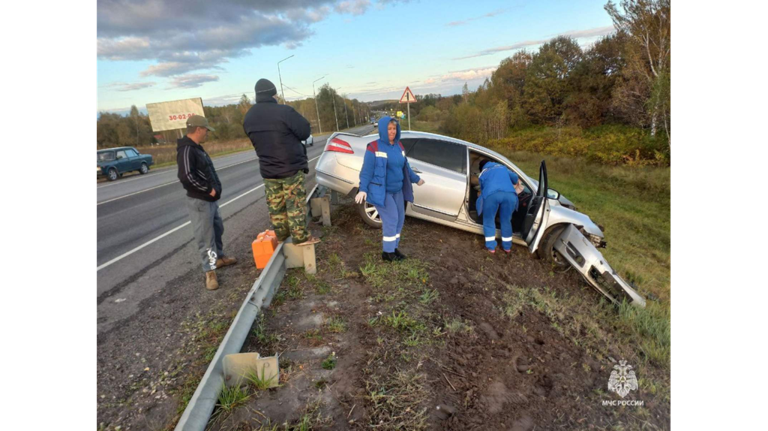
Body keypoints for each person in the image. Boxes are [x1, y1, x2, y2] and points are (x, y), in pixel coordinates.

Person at [243, 78, 320, 246]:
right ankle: (300, 238)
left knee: (276, 207)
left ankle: (283, 237)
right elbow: (304, 132)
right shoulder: (284, 112)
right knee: (295, 204)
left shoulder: (249, 117)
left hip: (268, 170)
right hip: (290, 167)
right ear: (273, 93)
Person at [177, 116, 237, 291]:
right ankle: (209, 271)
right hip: (200, 201)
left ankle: (219, 257)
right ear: (198, 129)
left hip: (210, 200)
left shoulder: (197, 148)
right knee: (206, 237)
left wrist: (215, 189)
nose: (207, 133)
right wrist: (207, 189)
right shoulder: (187, 150)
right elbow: (186, 176)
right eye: (206, 130)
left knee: (217, 229)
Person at [356, 117, 425, 262]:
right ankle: (387, 253)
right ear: (382, 130)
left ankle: (393, 248)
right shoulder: (374, 147)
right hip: (383, 192)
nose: (392, 131)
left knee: (399, 219)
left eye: (394, 128)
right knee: (391, 219)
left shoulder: (399, 146)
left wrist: (416, 179)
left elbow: (405, 166)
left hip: (398, 190)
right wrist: (363, 189)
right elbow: (366, 171)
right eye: (389, 129)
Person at [476, 159, 520, 254]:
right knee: (506, 220)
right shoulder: (502, 167)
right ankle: (507, 247)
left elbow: (483, 190)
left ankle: (491, 247)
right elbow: (515, 179)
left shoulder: (483, 173)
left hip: (492, 195)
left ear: (482, 167)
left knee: (489, 219)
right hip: (510, 195)